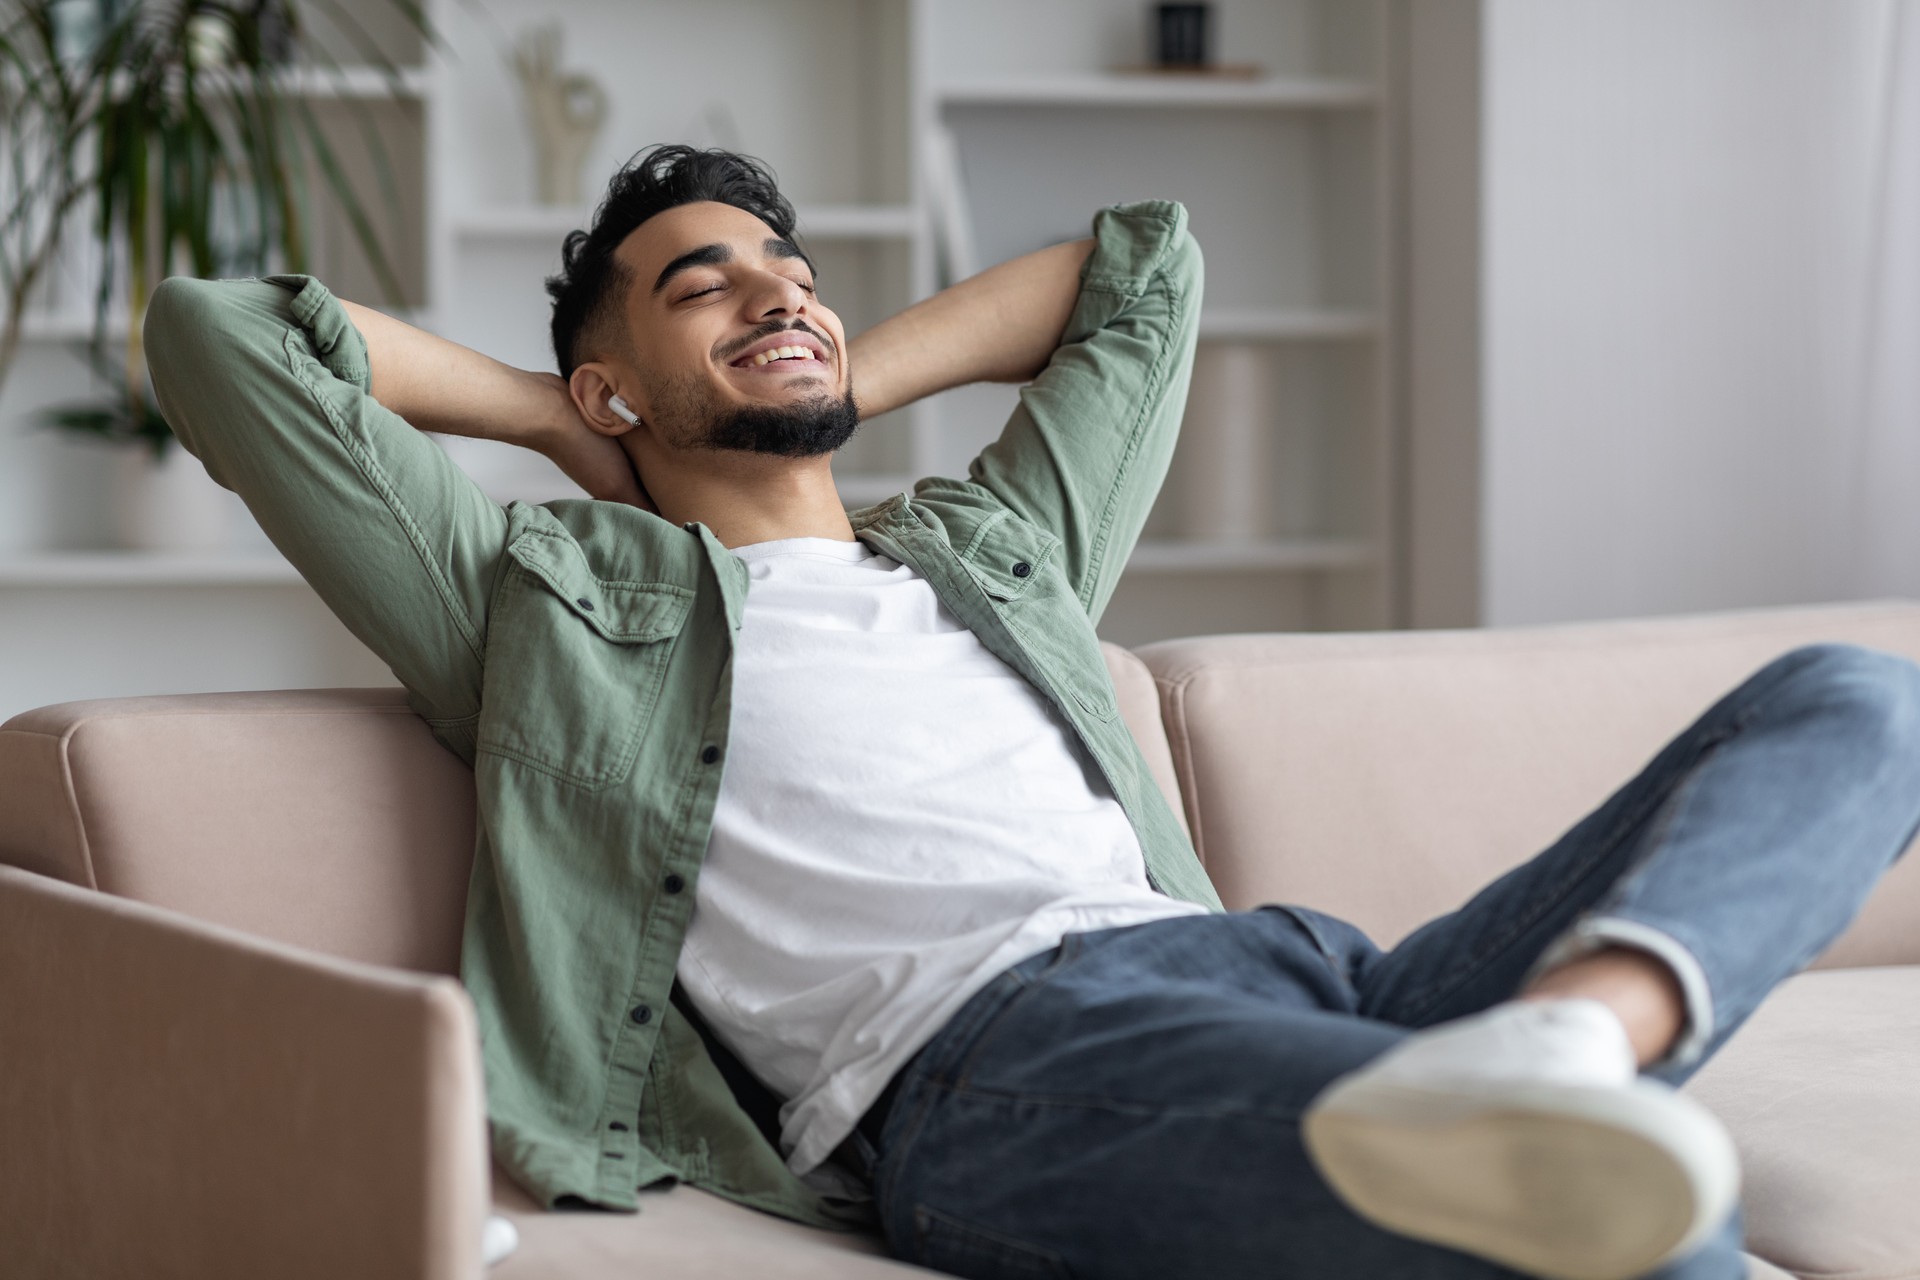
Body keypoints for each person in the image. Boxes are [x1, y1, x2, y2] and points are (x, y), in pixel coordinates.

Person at [143, 144, 1920, 1280]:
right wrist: (559, 417)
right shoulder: (545, 605)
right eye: (706, 280)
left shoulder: (993, 547)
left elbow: (1142, 273)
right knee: (1634, 1234)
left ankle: (1578, 1037)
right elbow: (223, 336)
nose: (779, 286)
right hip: (995, 1068)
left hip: (1303, 971)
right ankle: (1544, 1105)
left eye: (797, 268)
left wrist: (808, 365)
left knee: (1861, 701)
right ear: (613, 375)